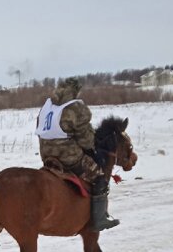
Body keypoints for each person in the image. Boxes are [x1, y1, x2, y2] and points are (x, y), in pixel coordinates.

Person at [35, 77, 119, 231]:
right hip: (68, 156)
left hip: (46, 154)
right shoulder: (76, 108)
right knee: (99, 176)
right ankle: (99, 219)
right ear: (76, 90)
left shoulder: (47, 106)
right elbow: (86, 141)